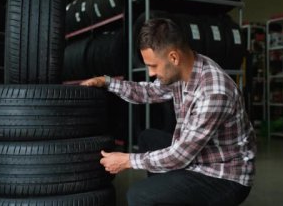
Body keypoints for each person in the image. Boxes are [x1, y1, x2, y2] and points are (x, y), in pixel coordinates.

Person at [81, 18, 256, 206]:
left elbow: (180, 155)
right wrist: (107, 82)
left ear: (173, 57)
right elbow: (148, 91)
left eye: (153, 65)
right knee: (149, 138)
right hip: (201, 157)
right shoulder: (184, 71)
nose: (151, 73)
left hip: (225, 177)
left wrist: (127, 160)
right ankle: (166, 194)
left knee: (140, 195)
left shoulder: (213, 92)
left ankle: (161, 196)